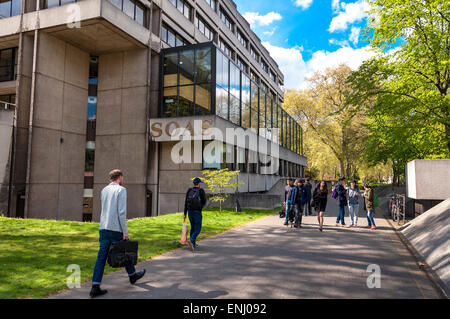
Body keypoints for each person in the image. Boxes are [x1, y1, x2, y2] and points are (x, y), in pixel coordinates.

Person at [90, 169, 146, 298]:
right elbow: (121, 212)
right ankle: (132, 276)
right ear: (120, 178)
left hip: (103, 227)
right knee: (125, 251)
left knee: (101, 257)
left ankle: (95, 286)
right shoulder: (121, 190)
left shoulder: (104, 190)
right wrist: (125, 231)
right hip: (116, 228)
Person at [184, 177, 207, 251]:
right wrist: (201, 207)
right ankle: (191, 240)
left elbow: (186, 202)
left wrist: (185, 213)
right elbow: (204, 202)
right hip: (197, 212)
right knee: (198, 229)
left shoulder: (189, 190)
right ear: (199, 184)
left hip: (190, 212)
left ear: (194, 183)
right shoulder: (201, 191)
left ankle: (193, 243)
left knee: (193, 227)